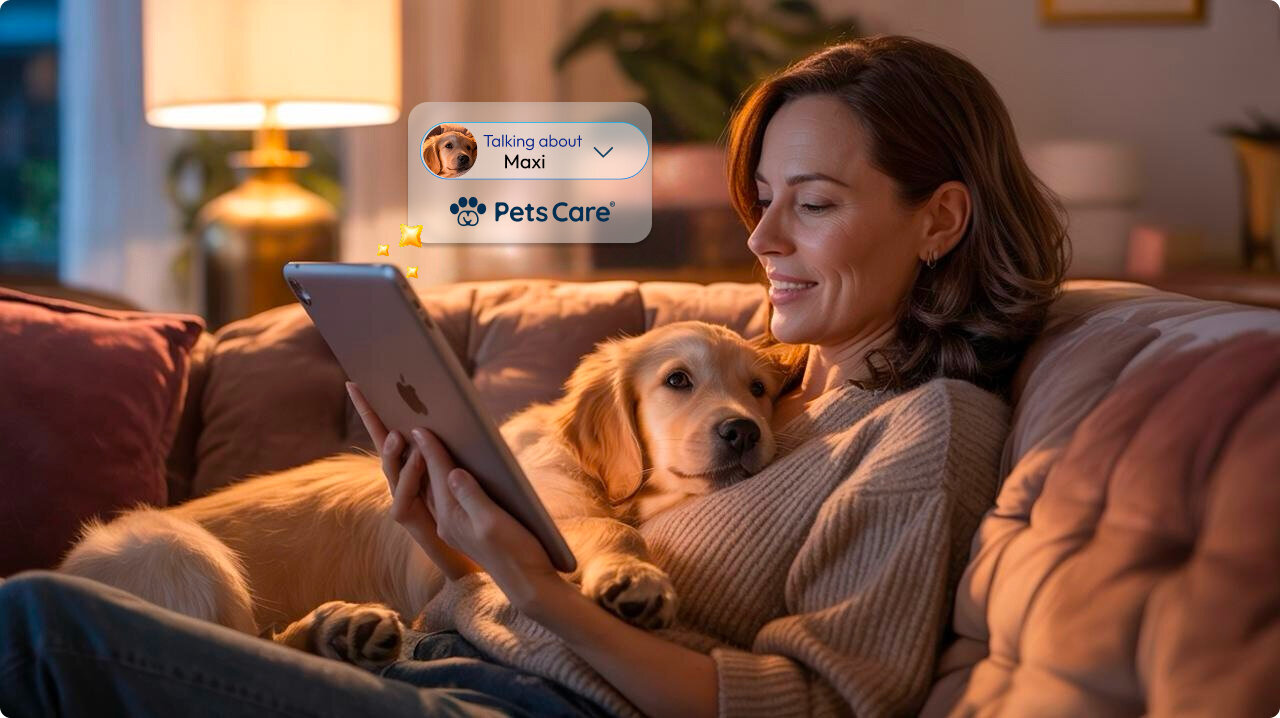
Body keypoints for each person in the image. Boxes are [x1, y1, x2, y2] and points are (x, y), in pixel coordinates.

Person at [0, 34, 1067, 718]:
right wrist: (442, 532)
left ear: (936, 218)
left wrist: (524, 580)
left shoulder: (927, 430)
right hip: (422, 659)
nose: (765, 237)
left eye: (816, 203)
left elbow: (809, 707)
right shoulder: (789, 390)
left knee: (39, 627)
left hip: (507, 706)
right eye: (765, 199)